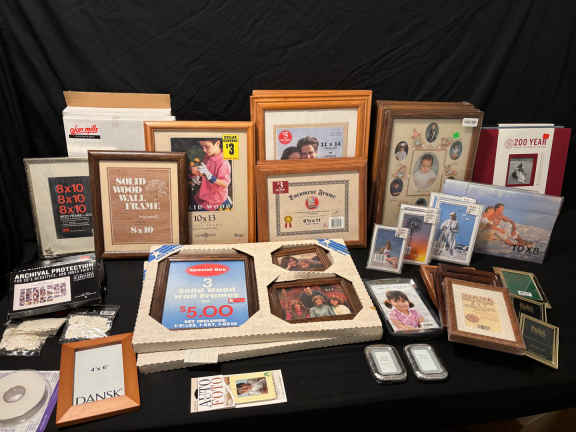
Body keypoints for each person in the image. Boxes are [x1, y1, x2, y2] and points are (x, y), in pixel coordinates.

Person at [190, 139, 232, 211]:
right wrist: (196, 177)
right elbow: (202, 171)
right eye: (202, 147)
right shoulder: (207, 155)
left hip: (215, 201)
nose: (204, 150)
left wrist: (210, 177)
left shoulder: (223, 162)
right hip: (202, 196)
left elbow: (225, 183)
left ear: (217, 143)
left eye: (207, 146)